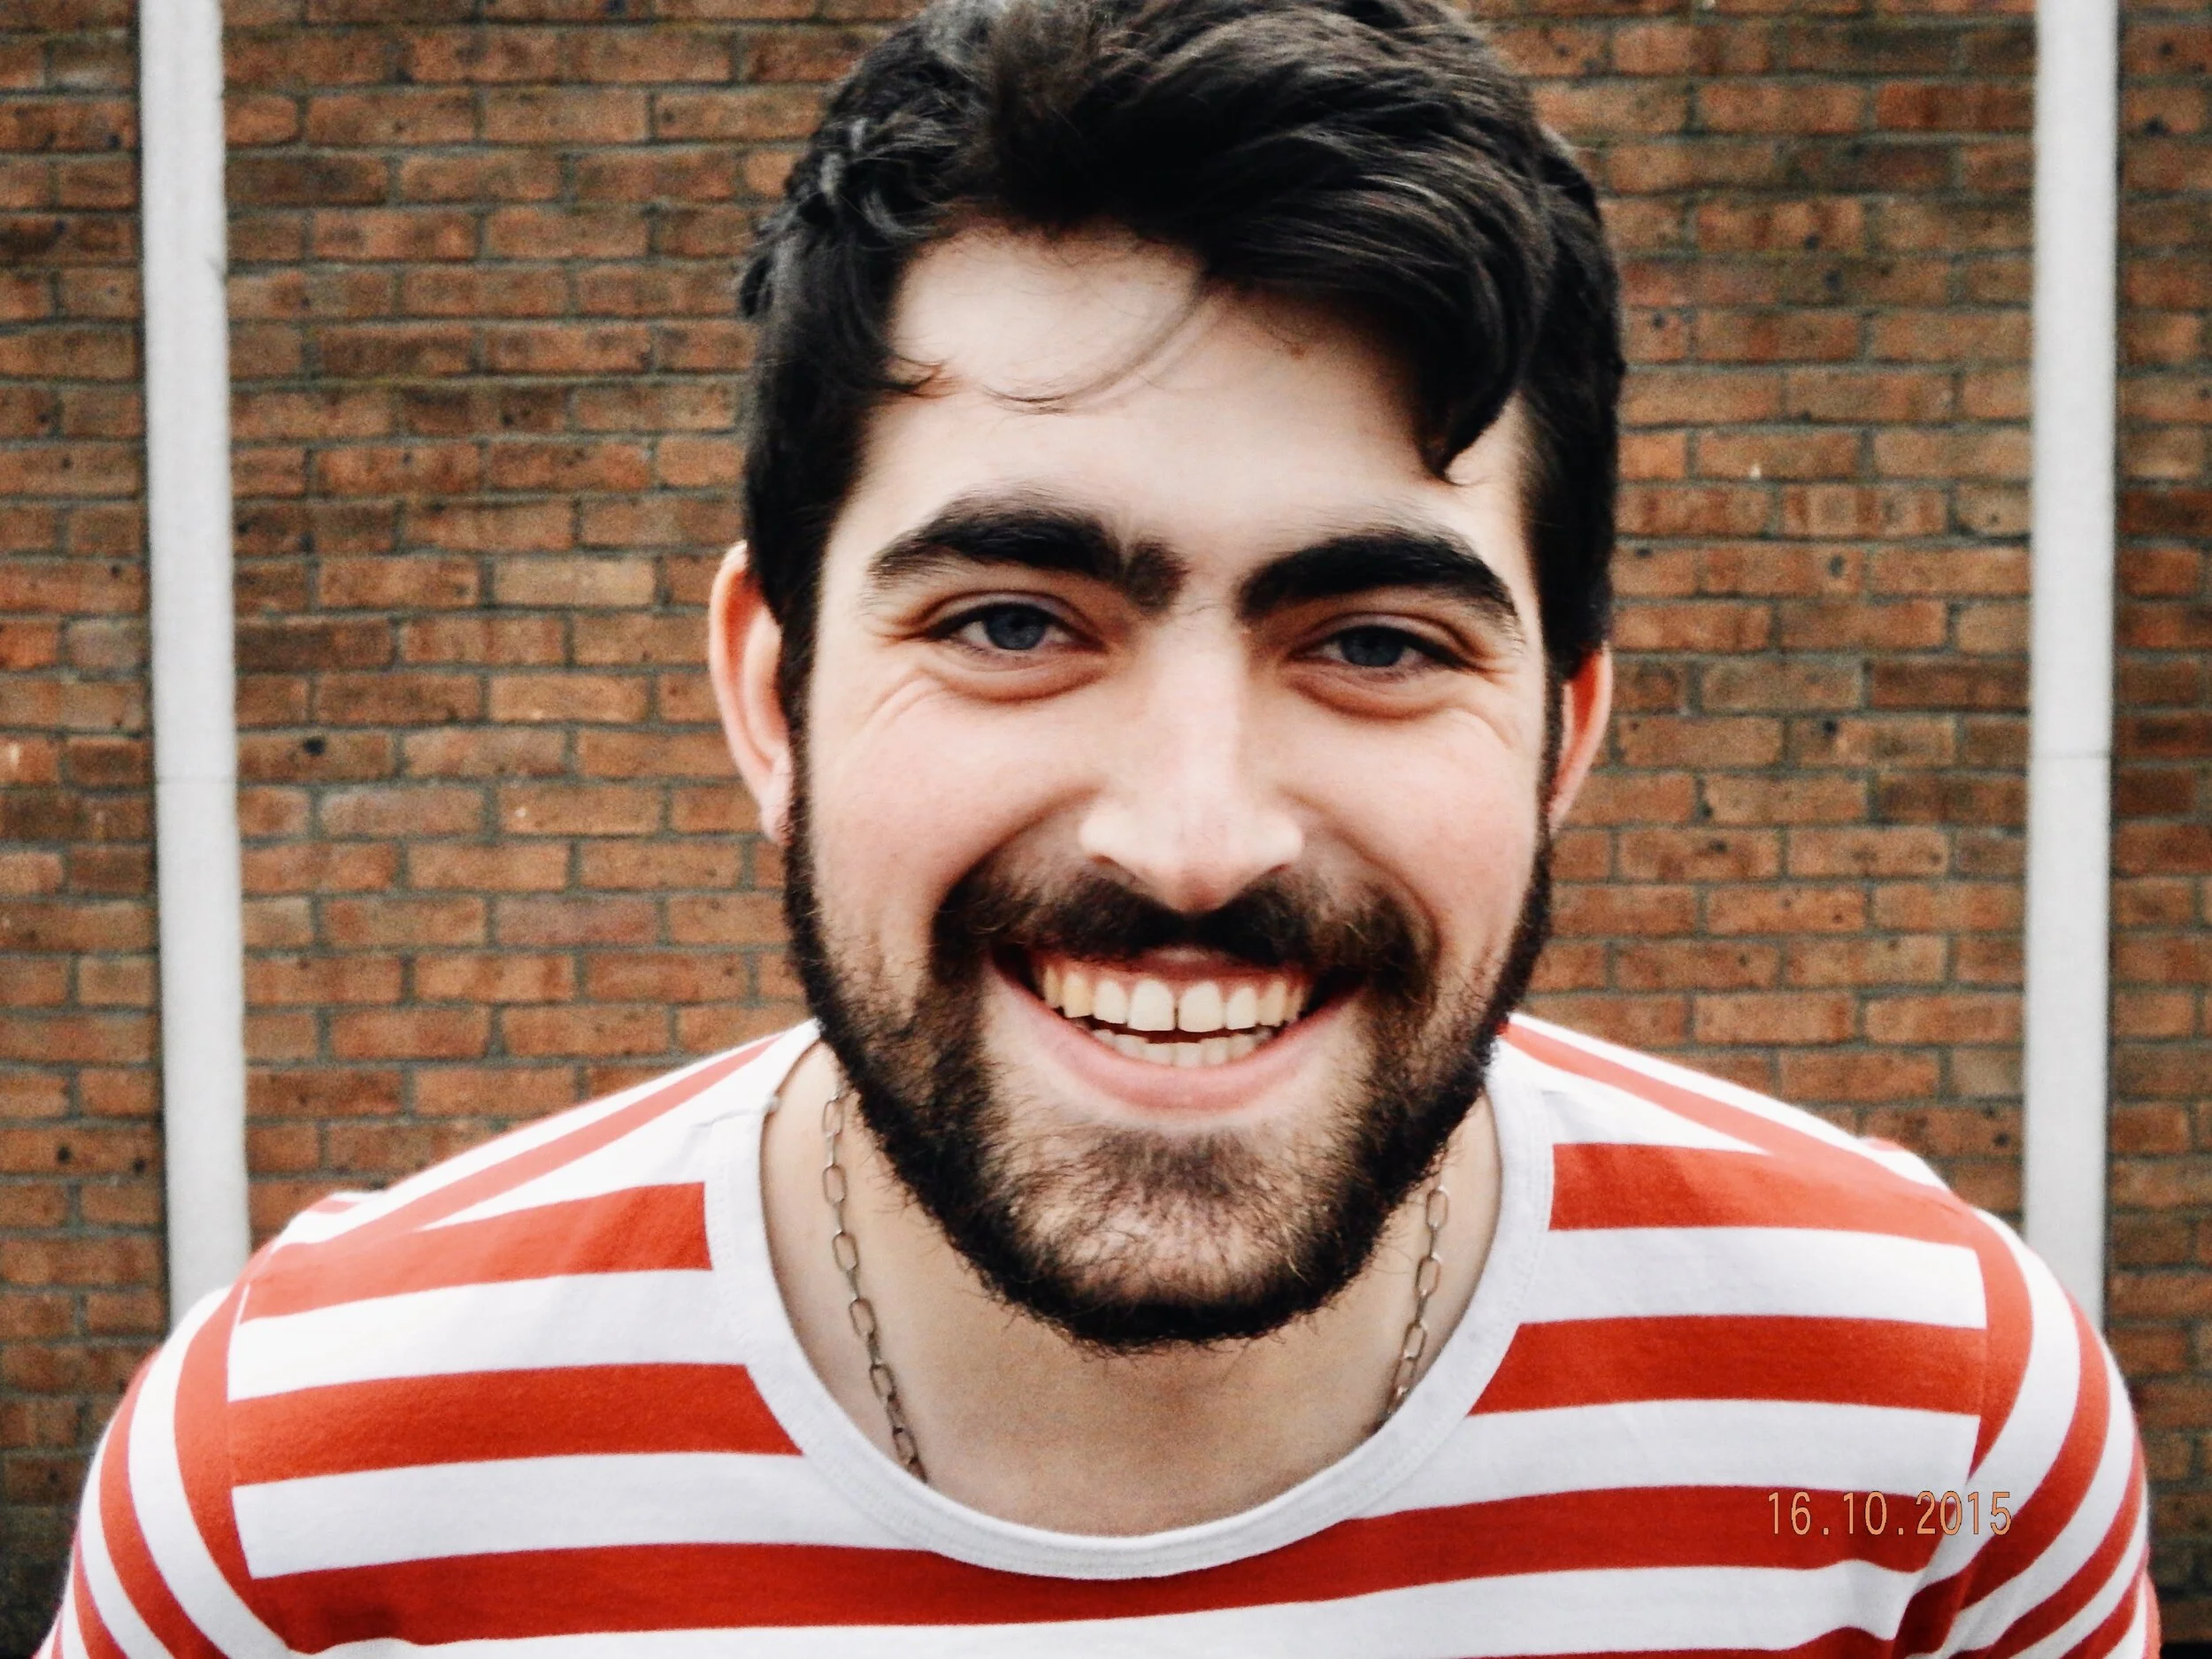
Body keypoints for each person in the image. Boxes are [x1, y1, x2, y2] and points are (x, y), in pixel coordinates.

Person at [44, 0, 2153, 1651]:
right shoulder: (299, 1496)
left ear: (1559, 738)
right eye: (1011, 621)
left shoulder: (1937, 1436)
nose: (1191, 838)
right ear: (772, 696)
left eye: (1376, 641)